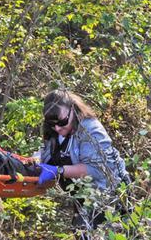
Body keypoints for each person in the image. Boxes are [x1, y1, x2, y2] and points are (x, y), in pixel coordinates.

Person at [37, 89, 129, 232]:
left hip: (107, 193)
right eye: (51, 123)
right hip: (82, 195)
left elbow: (98, 170)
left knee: (91, 234)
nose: (57, 128)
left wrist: (58, 171)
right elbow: (46, 153)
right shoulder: (54, 131)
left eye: (62, 122)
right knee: (81, 234)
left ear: (72, 109)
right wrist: (36, 161)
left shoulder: (90, 130)